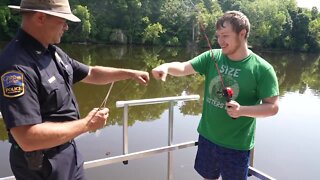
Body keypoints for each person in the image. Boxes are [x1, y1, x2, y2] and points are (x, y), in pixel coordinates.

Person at [0, 0, 149, 179]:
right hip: (41, 167)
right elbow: (27, 138)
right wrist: (87, 124)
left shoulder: (53, 53)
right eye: (63, 20)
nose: (66, 27)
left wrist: (129, 73)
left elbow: (92, 73)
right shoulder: (16, 67)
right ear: (40, 18)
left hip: (68, 154)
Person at [152, 11, 279, 180]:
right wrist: (166, 67)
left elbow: (273, 107)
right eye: (218, 36)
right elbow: (183, 67)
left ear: (242, 34)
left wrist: (242, 110)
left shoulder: (263, 69)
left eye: (225, 35)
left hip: (236, 145)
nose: (220, 41)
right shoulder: (213, 56)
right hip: (207, 137)